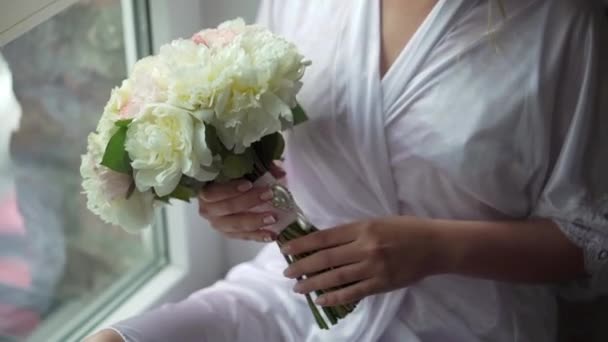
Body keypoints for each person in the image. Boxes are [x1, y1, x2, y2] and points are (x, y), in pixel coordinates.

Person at [87, 0, 608, 341]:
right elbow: (291, 165)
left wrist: (435, 247)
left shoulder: (562, 26)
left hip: (470, 318)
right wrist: (238, 196)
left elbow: (587, 237)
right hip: (295, 293)